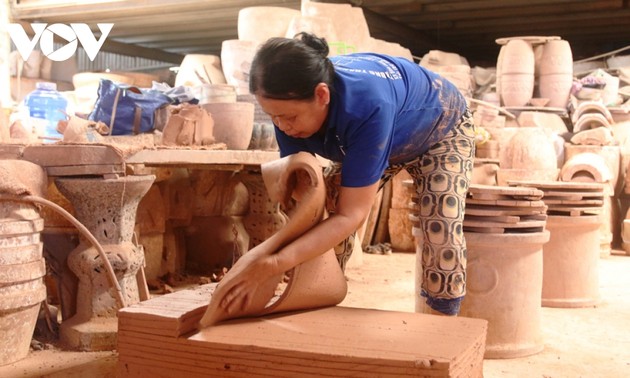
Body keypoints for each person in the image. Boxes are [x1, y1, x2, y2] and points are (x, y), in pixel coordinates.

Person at [216, 32, 476, 316]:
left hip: (439, 128)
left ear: (321, 95)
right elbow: (305, 204)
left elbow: (352, 215)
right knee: (328, 207)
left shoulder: (367, 105)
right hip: (376, 136)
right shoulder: (289, 106)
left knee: (440, 221)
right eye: (273, 117)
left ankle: (445, 326)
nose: (282, 127)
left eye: (289, 118)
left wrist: (276, 263)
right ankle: (317, 298)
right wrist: (272, 254)